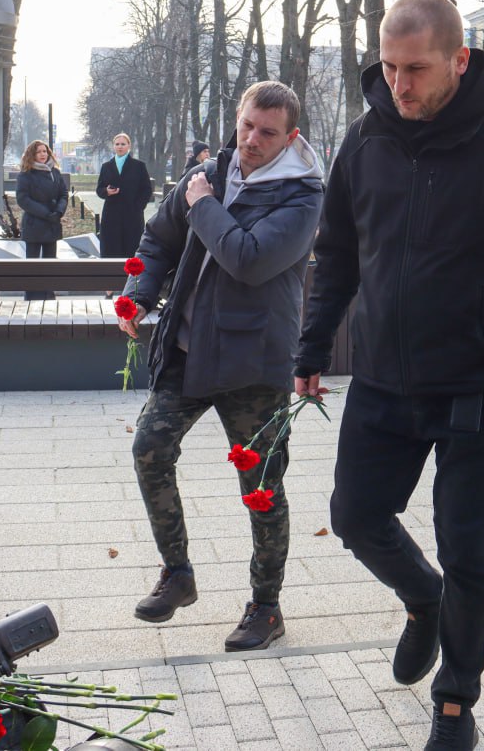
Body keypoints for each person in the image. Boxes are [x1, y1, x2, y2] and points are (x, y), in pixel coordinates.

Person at [295, 0, 484, 751]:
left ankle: (455, 701)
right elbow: (338, 252)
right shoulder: (365, 139)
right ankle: (423, 597)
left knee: (469, 552)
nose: (400, 84)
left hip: (481, 391)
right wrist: (312, 347)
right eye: (389, 67)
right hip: (382, 379)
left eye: (415, 69)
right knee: (356, 516)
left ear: (459, 59)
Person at [119, 81, 324, 653]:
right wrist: (138, 293)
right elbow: (157, 241)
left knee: (261, 488)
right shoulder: (206, 175)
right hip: (188, 352)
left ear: (291, 137)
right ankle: (177, 573)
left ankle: (266, 607)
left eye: (267, 132)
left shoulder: (302, 196)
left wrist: (204, 204)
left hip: (253, 363)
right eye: (247, 125)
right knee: (149, 449)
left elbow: (247, 260)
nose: (252, 140)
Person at [15, 140, 69, 300]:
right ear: (32, 154)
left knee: (50, 263)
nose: (43, 154)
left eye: (45, 151)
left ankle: (48, 294)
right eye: (38, 152)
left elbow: (63, 194)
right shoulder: (26, 174)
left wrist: (58, 211)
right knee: (32, 264)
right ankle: (31, 295)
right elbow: (23, 199)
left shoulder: (55, 173)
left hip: (52, 224)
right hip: (34, 224)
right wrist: (45, 213)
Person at [96, 133, 153, 260]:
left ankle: (132, 273)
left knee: (132, 250)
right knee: (111, 251)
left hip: (132, 215)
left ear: (129, 146)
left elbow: (147, 189)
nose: (120, 147)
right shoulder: (106, 166)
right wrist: (106, 191)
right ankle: (111, 273)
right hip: (111, 216)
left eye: (123, 144)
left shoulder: (139, 166)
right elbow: (99, 189)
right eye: (117, 144)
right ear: (113, 146)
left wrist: (138, 207)